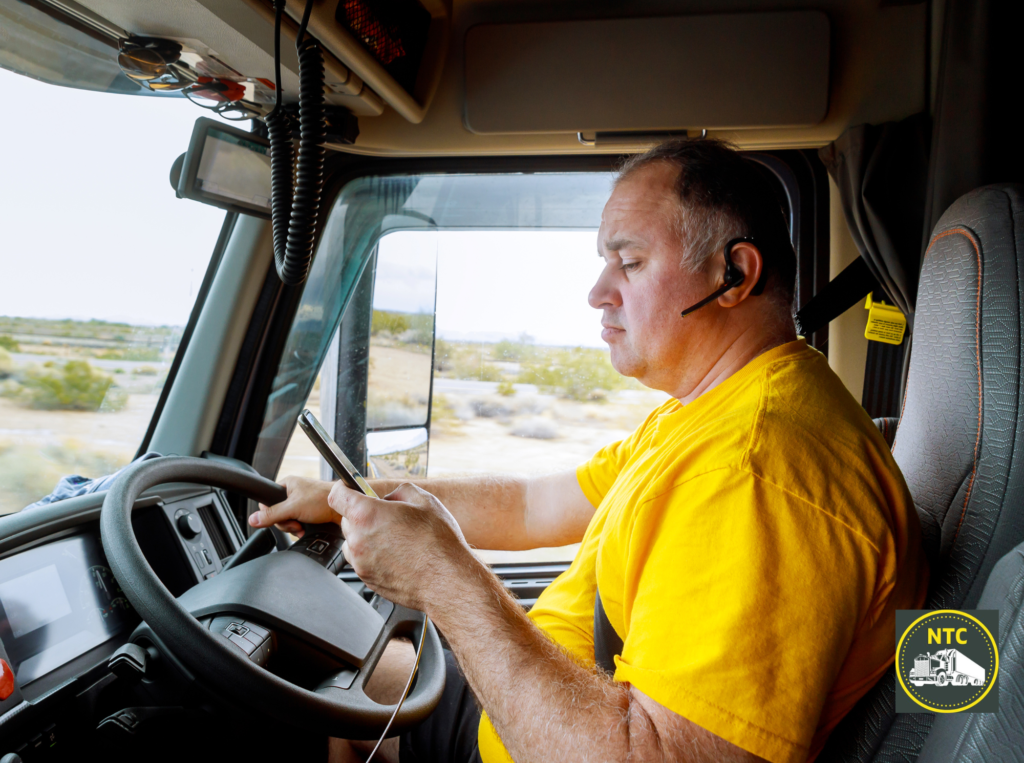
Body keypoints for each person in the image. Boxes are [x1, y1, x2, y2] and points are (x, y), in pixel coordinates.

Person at [250, 139, 929, 763]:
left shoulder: (754, 470)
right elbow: (533, 504)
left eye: (629, 262)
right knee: (350, 678)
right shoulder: (711, 414)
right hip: (556, 707)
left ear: (735, 275)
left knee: (318, 690)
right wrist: (357, 500)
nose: (597, 293)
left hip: (570, 734)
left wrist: (445, 580)